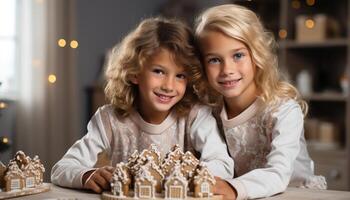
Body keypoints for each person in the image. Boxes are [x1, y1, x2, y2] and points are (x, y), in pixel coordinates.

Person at [51, 17, 233, 193]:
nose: (169, 86)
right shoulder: (109, 119)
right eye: (159, 71)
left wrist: (182, 176)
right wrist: (86, 175)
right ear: (134, 72)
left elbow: (223, 165)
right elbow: (61, 169)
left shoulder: (195, 116)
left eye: (180, 76)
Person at [194, 4, 327, 200]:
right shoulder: (210, 110)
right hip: (248, 195)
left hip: (293, 194)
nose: (227, 69)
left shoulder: (283, 110)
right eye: (214, 60)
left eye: (238, 55)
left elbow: (279, 173)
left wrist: (232, 189)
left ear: (256, 55)